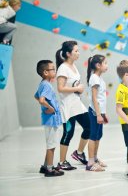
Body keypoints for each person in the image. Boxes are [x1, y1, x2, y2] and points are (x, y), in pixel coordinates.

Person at [56, 40, 90, 170]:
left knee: (89, 127)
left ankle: (79, 153)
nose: (78, 53)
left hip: (77, 104)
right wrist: (77, 89)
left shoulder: (74, 67)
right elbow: (60, 88)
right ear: (68, 54)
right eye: (76, 51)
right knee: (68, 133)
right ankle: (62, 162)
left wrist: (78, 89)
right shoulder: (63, 68)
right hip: (69, 106)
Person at [34, 60, 64, 177]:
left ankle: (45, 166)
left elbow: (36, 96)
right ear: (46, 72)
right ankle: (50, 170)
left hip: (49, 119)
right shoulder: (46, 85)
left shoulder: (42, 84)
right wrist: (50, 108)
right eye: (53, 69)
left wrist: (45, 107)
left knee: (50, 144)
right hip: (51, 120)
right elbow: (41, 100)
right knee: (51, 145)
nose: (55, 71)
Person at [86, 54, 109, 171]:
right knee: (93, 136)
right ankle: (90, 163)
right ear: (98, 65)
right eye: (105, 63)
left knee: (98, 136)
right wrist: (99, 114)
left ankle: (95, 158)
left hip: (99, 112)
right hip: (95, 112)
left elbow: (101, 99)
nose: (107, 66)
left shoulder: (100, 78)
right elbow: (94, 98)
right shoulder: (94, 78)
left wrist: (104, 114)